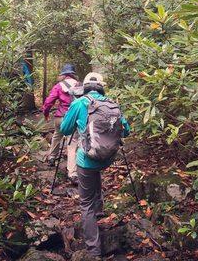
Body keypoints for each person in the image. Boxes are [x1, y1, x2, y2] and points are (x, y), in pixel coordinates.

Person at [60, 72, 131, 258]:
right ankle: (99, 210)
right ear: (102, 86)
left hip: (88, 159)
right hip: (108, 158)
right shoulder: (112, 104)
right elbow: (126, 132)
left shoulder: (79, 103)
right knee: (95, 173)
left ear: (84, 87)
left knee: (85, 204)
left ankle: (93, 249)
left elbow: (64, 129)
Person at [42, 63, 81, 183]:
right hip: (73, 119)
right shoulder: (80, 86)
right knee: (72, 144)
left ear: (63, 75)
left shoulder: (58, 86)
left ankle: (52, 158)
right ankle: (72, 173)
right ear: (73, 74)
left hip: (60, 117)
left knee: (56, 136)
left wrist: (46, 113)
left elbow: (49, 102)